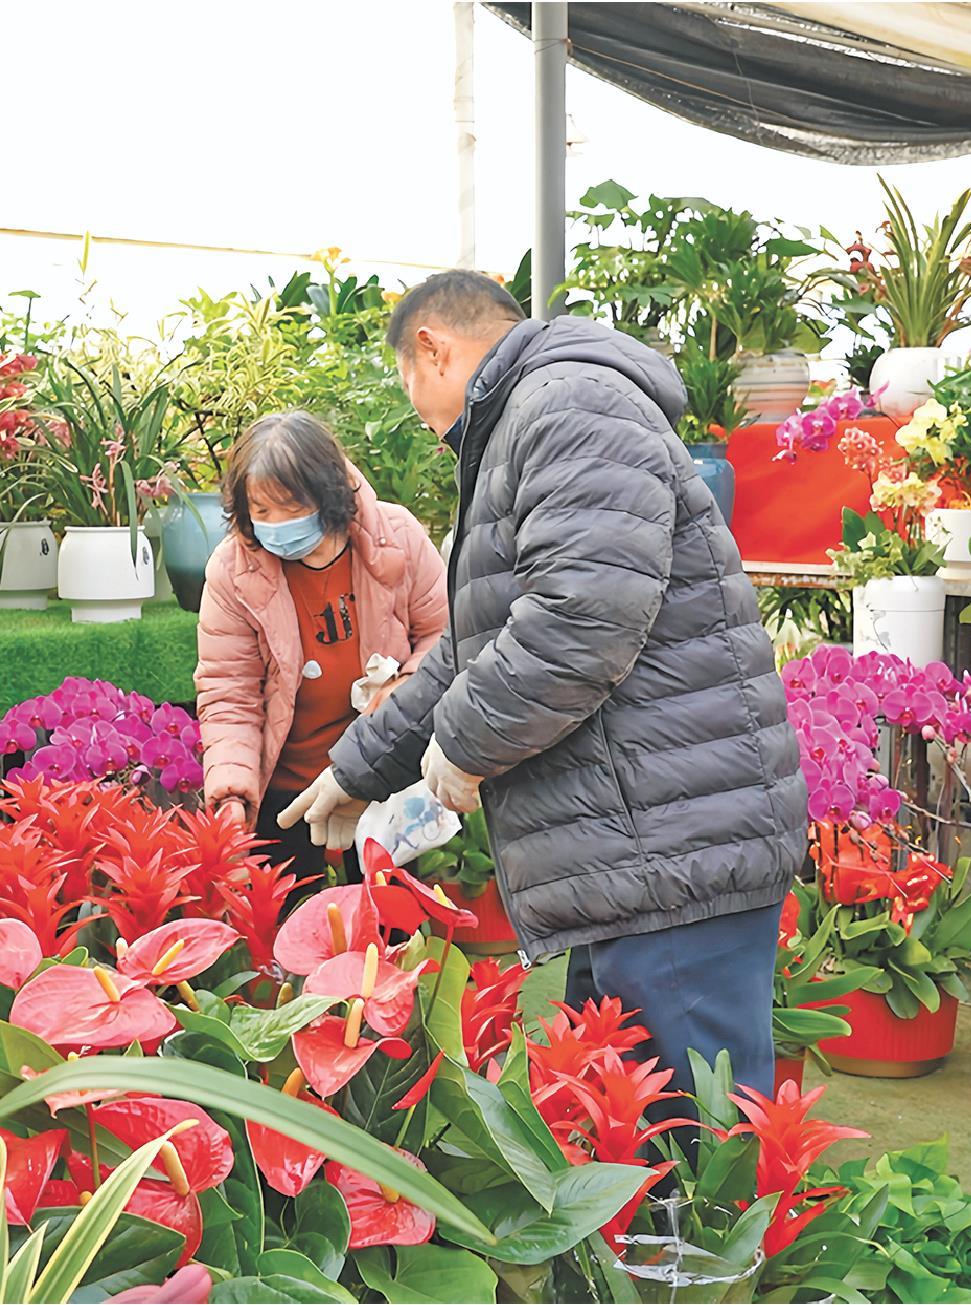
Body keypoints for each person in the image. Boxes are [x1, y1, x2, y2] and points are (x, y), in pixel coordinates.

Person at [281, 270, 807, 1099]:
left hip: (668, 848)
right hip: (631, 844)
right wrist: (359, 767)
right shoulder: (535, 417)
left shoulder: (569, 406)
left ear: (431, 348)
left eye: (407, 381)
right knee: (632, 1125)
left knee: (699, 1136)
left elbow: (581, 620)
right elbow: (472, 648)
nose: (416, 411)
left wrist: (463, 747)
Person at [194, 410, 448, 880]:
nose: (276, 524)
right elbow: (230, 691)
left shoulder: (397, 537)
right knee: (288, 918)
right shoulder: (233, 570)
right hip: (286, 790)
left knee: (389, 917)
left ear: (327, 493)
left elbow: (444, 637)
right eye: (261, 512)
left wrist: (404, 692)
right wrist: (231, 794)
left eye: (291, 507)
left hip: (382, 778)